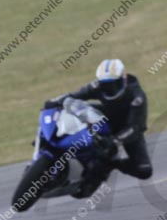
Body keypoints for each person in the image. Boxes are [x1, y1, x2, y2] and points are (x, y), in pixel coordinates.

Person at [48, 59, 152, 195]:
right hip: (104, 118)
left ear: (123, 79)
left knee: (144, 170)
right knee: (74, 108)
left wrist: (115, 141)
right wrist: (55, 101)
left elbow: (136, 127)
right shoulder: (97, 86)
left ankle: (111, 164)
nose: (109, 89)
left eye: (114, 84)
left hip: (127, 128)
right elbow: (74, 96)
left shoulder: (137, 96)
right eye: (105, 85)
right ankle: (54, 140)